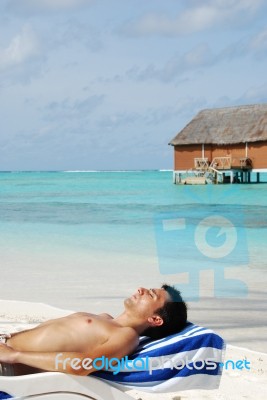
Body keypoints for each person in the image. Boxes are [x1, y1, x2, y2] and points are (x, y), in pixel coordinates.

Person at [0, 284, 187, 376]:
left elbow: (84, 365)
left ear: (155, 319)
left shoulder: (126, 336)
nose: (141, 289)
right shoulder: (105, 318)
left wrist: (14, 356)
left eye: (151, 294)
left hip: (6, 366)